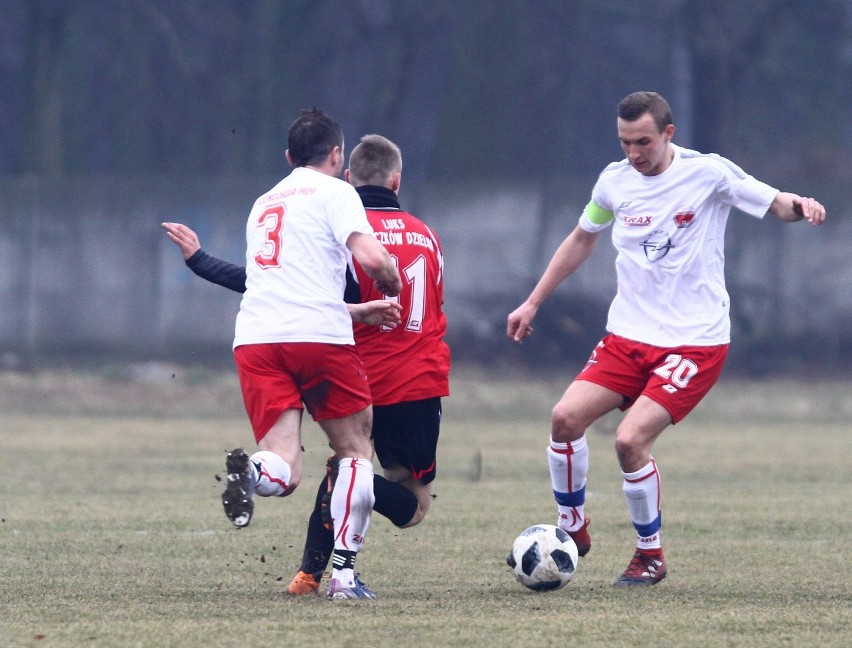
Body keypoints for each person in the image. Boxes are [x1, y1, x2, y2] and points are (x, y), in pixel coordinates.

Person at [506, 91, 826, 587]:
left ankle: (649, 556)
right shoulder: (613, 182)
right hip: (628, 336)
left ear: (668, 134)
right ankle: (573, 529)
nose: (634, 153)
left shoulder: (708, 173)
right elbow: (582, 238)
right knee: (565, 419)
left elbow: (773, 202)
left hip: (694, 341)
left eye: (644, 142)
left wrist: (800, 205)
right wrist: (533, 301)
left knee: (630, 441)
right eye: (625, 142)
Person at [162, 133, 450, 597]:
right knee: (401, 497)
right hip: (410, 379)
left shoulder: (306, 213)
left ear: (351, 174)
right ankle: (341, 573)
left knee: (334, 460)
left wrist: (201, 262)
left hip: (320, 351)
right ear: (397, 179)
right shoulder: (425, 235)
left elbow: (272, 283)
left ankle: (308, 573)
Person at [222, 108, 402, 600]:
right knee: (355, 449)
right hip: (317, 340)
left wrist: (357, 310)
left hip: (256, 339)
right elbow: (369, 256)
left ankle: (254, 472)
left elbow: (289, 288)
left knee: (286, 467)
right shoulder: (337, 191)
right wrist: (391, 279)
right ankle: (343, 576)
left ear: (288, 157)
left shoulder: (263, 202)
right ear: (338, 155)